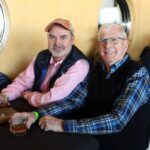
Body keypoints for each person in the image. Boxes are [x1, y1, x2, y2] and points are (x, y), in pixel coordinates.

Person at [37, 24, 150, 150]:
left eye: (114, 40)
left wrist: (62, 125)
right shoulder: (95, 70)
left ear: (126, 44)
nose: (107, 45)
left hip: (125, 145)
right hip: (93, 141)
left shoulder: (138, 73)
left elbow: (117, 120)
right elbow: (74, 101)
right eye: (103, 40)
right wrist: (36, 114)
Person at [0, 18, 89, 125]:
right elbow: (22, 82)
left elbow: (50, 99)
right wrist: (5, 96)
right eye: (52, 37)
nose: (57, 43)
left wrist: (27, 95)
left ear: (72, 39)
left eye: (63, 37)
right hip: (35, 108)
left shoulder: (79, 64)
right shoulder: (42, 56)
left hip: (59, 118)